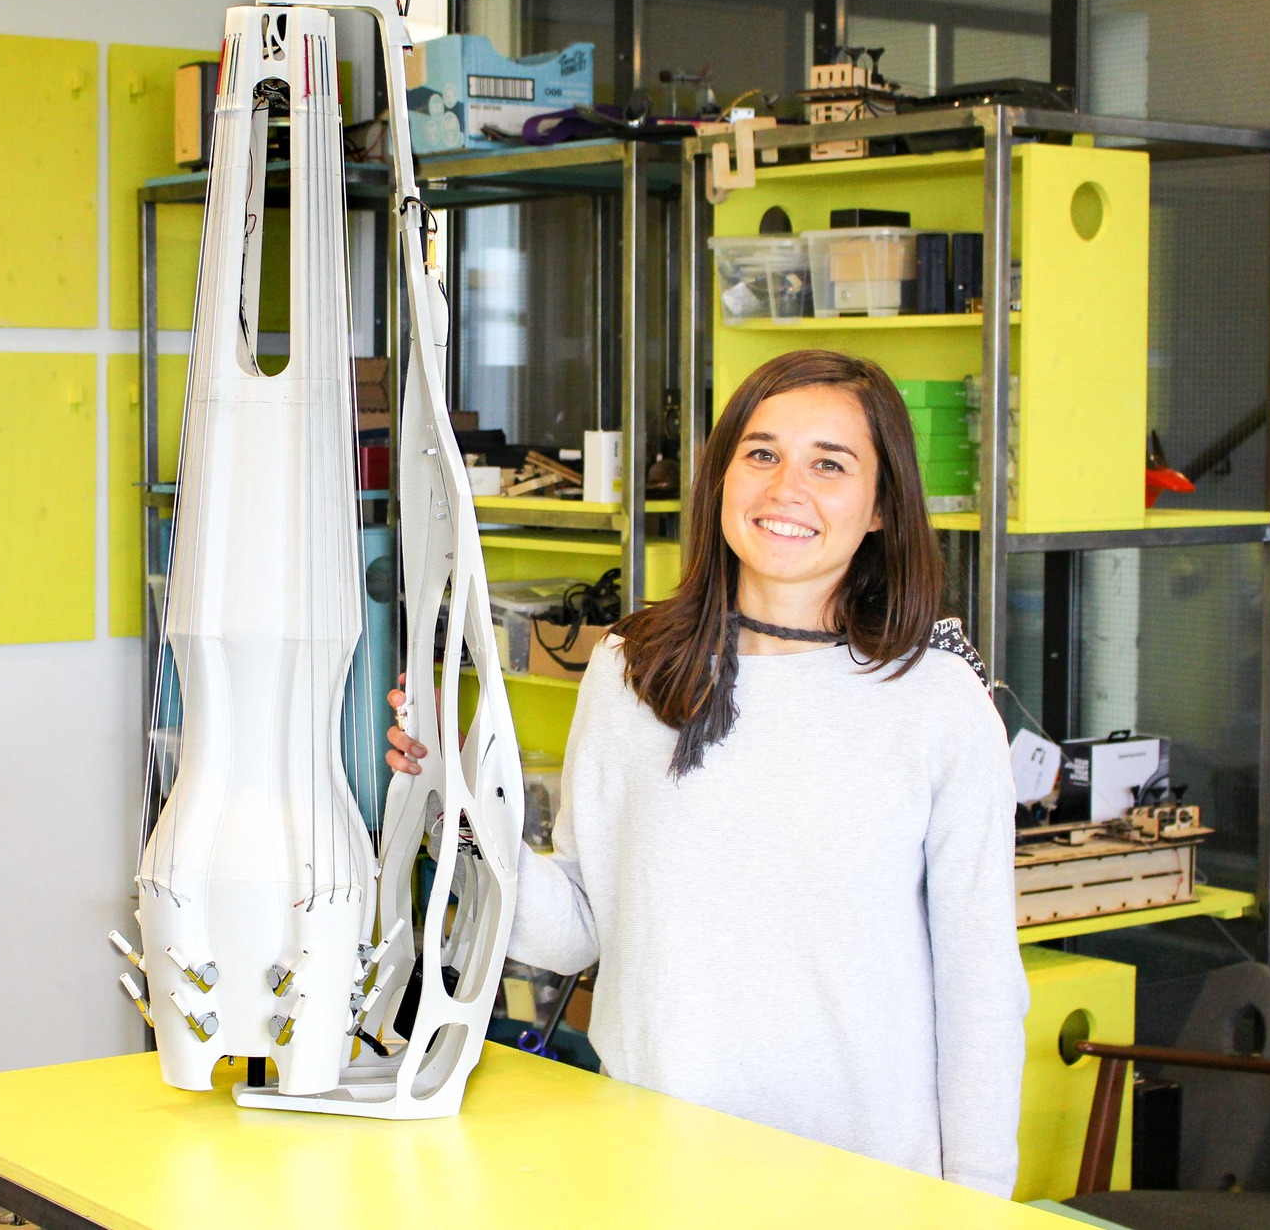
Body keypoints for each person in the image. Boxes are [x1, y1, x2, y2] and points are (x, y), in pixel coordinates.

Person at [387, 348, 1028, 1198]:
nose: (785, 488)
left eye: (828, 464)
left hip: (861, 1190)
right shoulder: (632, 669)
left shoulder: (936, 698)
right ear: (721, 477)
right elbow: (577, 924)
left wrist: (976, 1206)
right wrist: (453, 802)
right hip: (656, 1174)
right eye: (760, 453)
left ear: (880, 506)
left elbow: (980, 987)